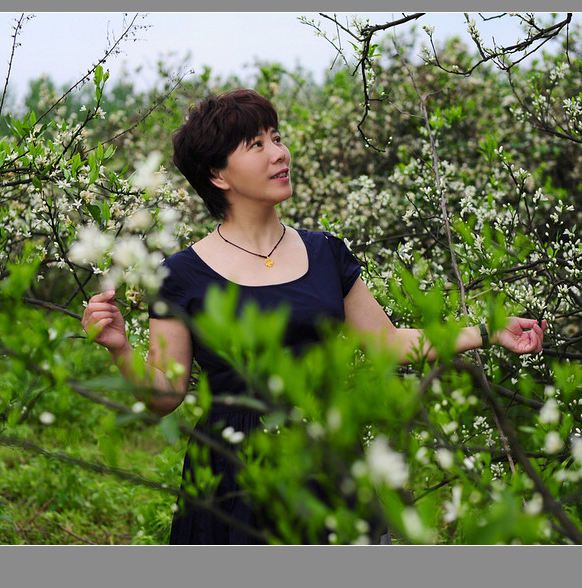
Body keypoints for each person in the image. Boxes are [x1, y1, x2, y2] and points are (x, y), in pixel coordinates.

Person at [81, 89, 547, 544]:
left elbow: (388, 342)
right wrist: (121, 348)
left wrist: (487, 331)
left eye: (277, 137)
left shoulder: (325, 252)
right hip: (235, 472)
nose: (279, 154)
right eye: (257, 145)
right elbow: (166, 393)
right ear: (218, 174)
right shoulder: (181, 275)